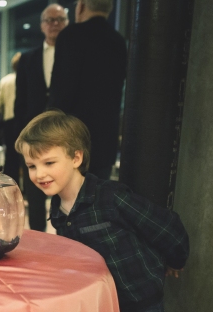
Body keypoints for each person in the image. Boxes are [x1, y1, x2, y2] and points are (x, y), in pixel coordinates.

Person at [15, 110, 190, 312]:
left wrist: (174, 260)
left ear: (76, 157)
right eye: (31, 165)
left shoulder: (111, 197)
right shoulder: (58, 209)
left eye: (49, 163)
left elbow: (168, 228)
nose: (39, 173)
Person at [48, 0, 127, 180]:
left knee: (69, 202)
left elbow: (61, 93)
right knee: (98, 199)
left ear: (81, 6)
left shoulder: (70, 36)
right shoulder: (118, 42)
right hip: (106, 141)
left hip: (72, 139)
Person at [15, 3, 68, 231]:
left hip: (64, 130)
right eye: (49, 20)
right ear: (42, 25)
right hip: (33, 130)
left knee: (65, 187)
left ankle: (67, 238)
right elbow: (21, 100)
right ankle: (38, 237)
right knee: (35, 187)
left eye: (59, 20)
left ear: (66, 23)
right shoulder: (28, 59)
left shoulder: (74, 56)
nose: (54, 24)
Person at [0, 52, 21, 180]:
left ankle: (12, 186)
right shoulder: (31, 79)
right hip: (26, 122)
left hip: (9, 122)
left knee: (11, 155)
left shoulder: (5, 81)